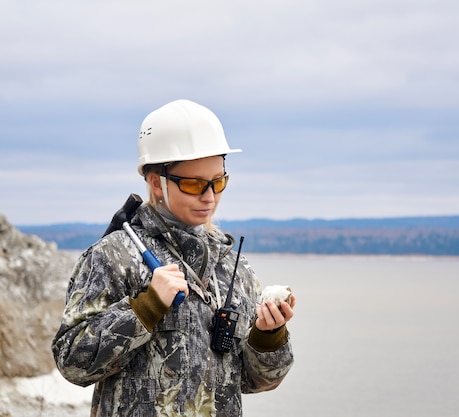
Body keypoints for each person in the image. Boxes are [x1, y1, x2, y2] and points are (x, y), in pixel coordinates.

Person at [52, 99, 296, 417]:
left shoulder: (232, 267)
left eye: (218, 182)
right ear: (156, 182)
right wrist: (145, 308)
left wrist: (267, 335)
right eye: (194, 184)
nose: (209, 196)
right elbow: (72, 362)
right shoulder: (113, 256)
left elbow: (255, 381)